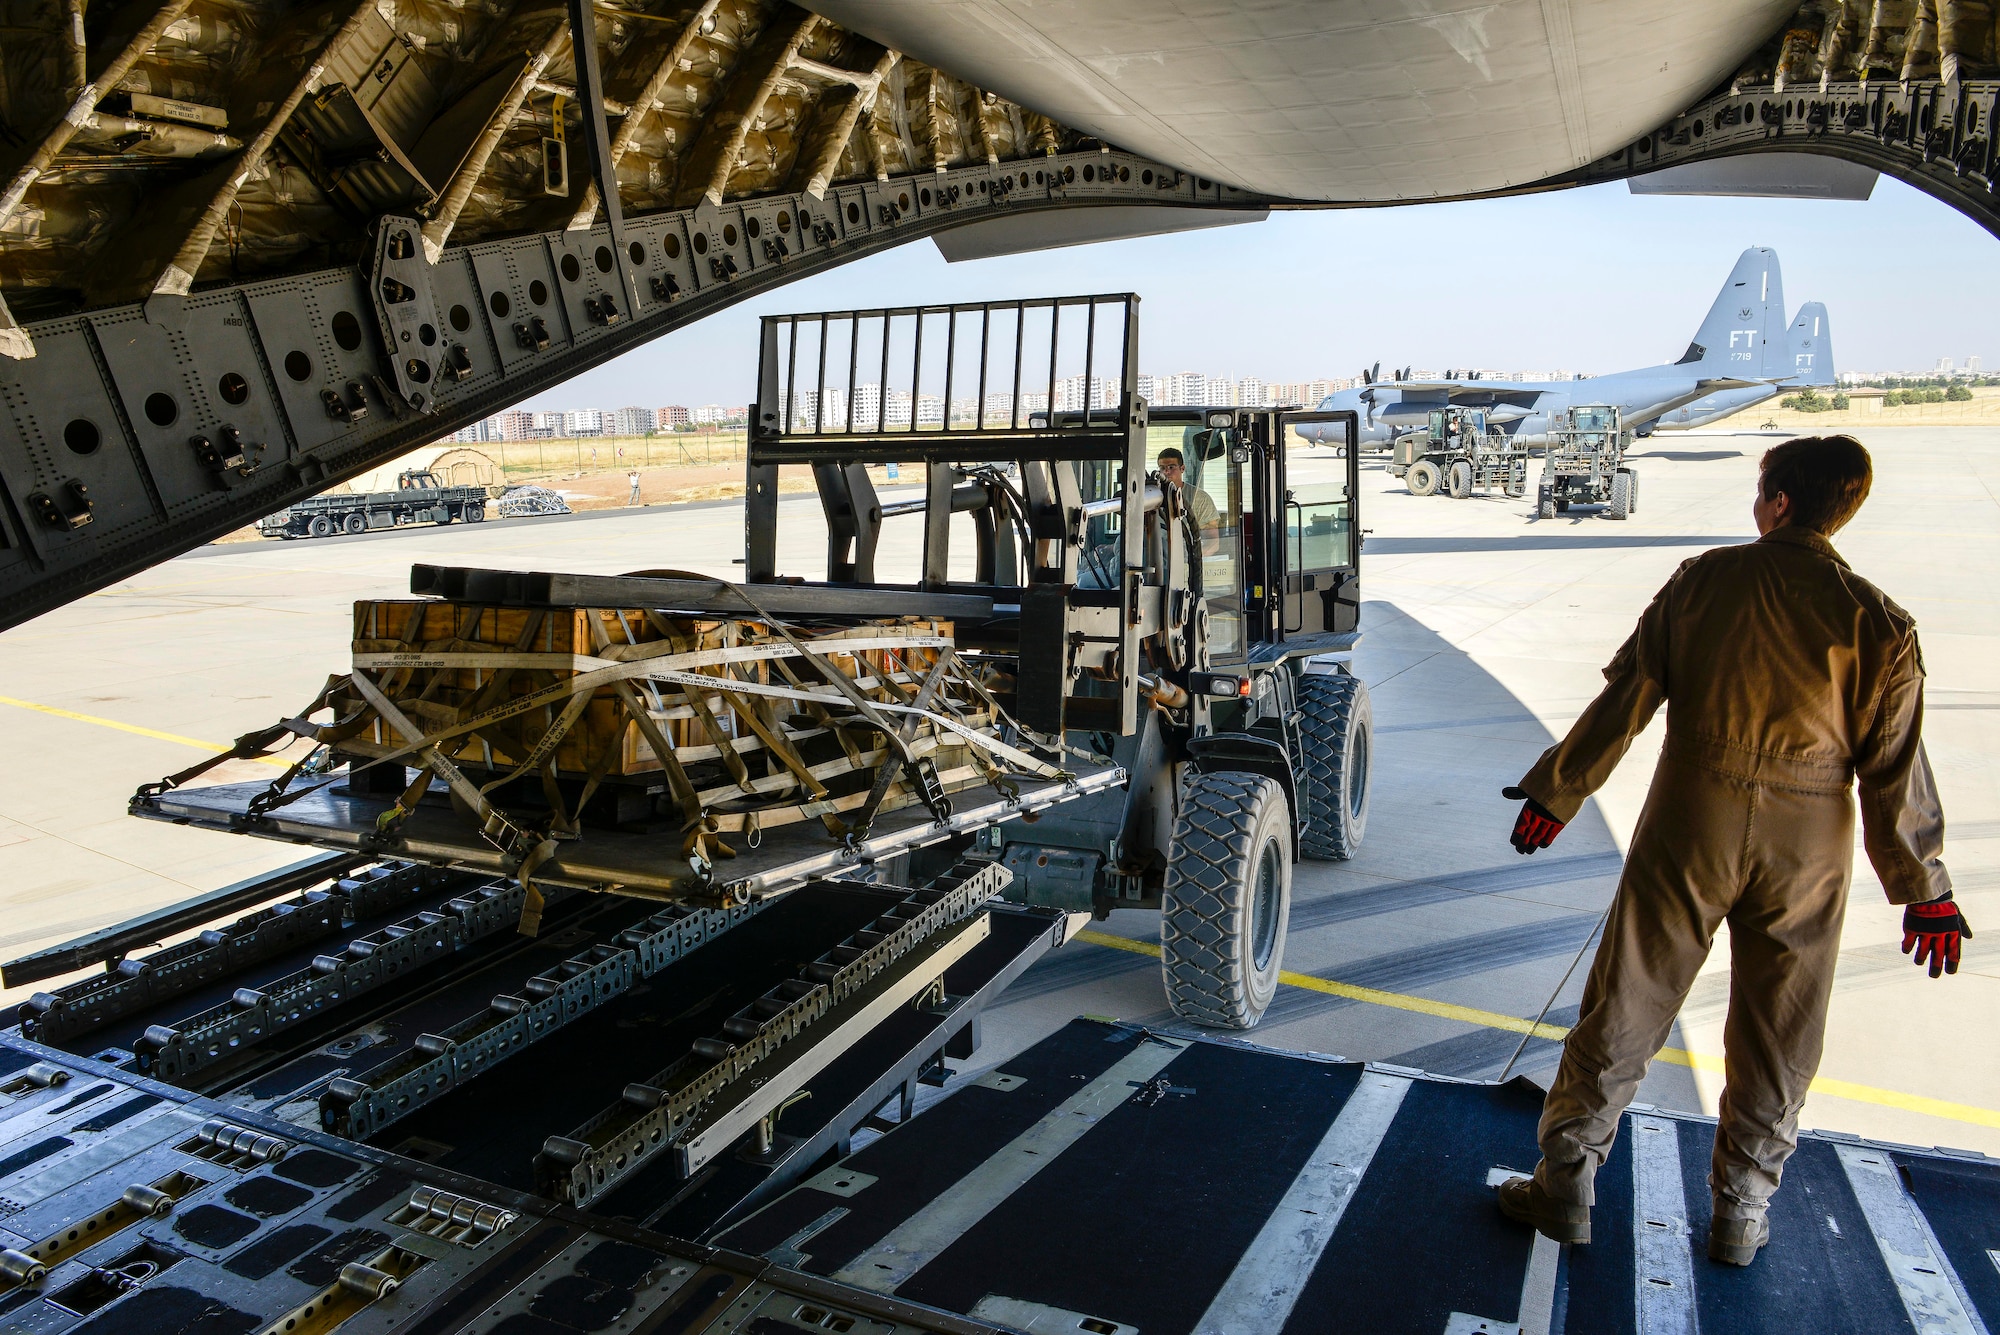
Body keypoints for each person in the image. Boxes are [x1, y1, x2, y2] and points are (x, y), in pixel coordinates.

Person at [1495, 435, 1965, 1268]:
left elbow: (1629, 696)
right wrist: (1923, 888)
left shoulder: (1704, 580)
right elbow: (1895, 767)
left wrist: (1557, 791)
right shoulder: (1881, 622)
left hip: (1692, 815)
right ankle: (1742, 1213)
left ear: (1779, 502)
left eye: (1762, 490)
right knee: (1782, 1025)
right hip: (1810, 839)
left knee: (1630, 998)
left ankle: (1566, 1183)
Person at [1156, 447, 1220, 554]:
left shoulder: (1200, 498)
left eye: (1171, 467)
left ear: (1182, 469)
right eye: (1162, 468)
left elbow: (1212, 543)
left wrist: (1190, 561)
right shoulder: (1151, 497)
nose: (1166, 472)